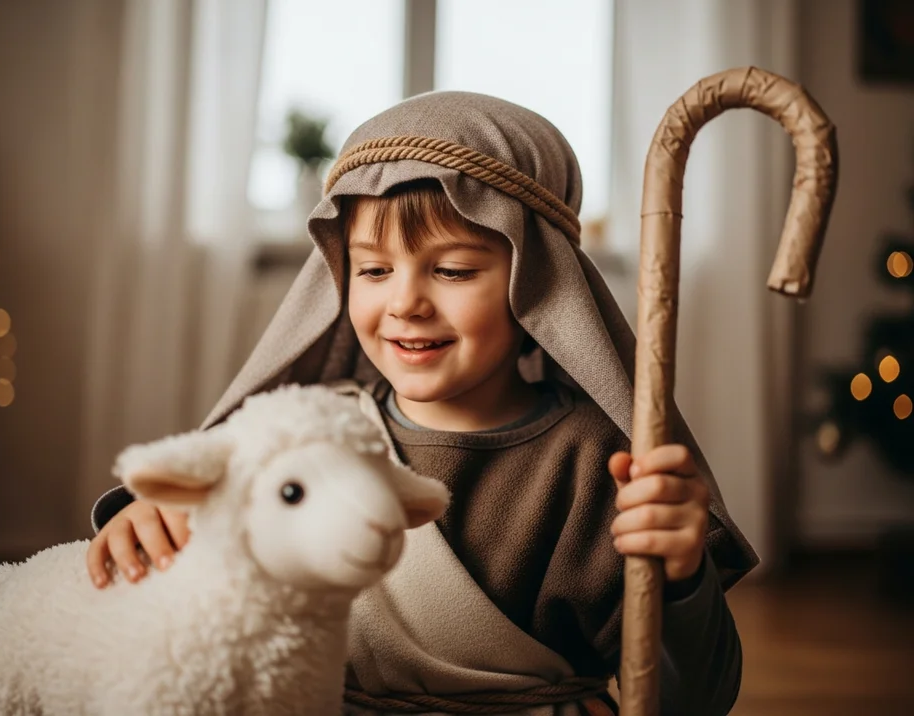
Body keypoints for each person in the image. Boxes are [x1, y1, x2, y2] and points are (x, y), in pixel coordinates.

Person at [86, 91, 758, 715]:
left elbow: (692, 699)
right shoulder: (305, 438)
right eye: (373, 270)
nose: (405, 302)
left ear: (538, 282)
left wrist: (678, 576)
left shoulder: (599, 466)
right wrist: (160, 517)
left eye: (453, 270)